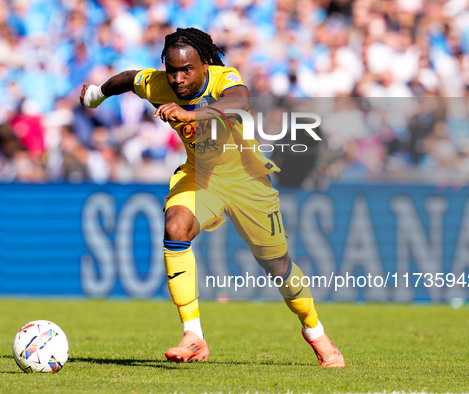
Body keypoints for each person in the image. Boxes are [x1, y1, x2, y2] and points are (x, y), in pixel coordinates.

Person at [80, 27, 345, 367]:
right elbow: (130, 79)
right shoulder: (159, 84)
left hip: (246, 180)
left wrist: (191, 114)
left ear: (204, 64)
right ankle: (194, 335)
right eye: (171, 70)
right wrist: (96, 95)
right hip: (200, 174)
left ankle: (315, 332)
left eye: (186, 70)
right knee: (176, 227)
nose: (177, 79)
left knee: (277, 265)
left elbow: (239, 101)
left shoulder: (224, 79)